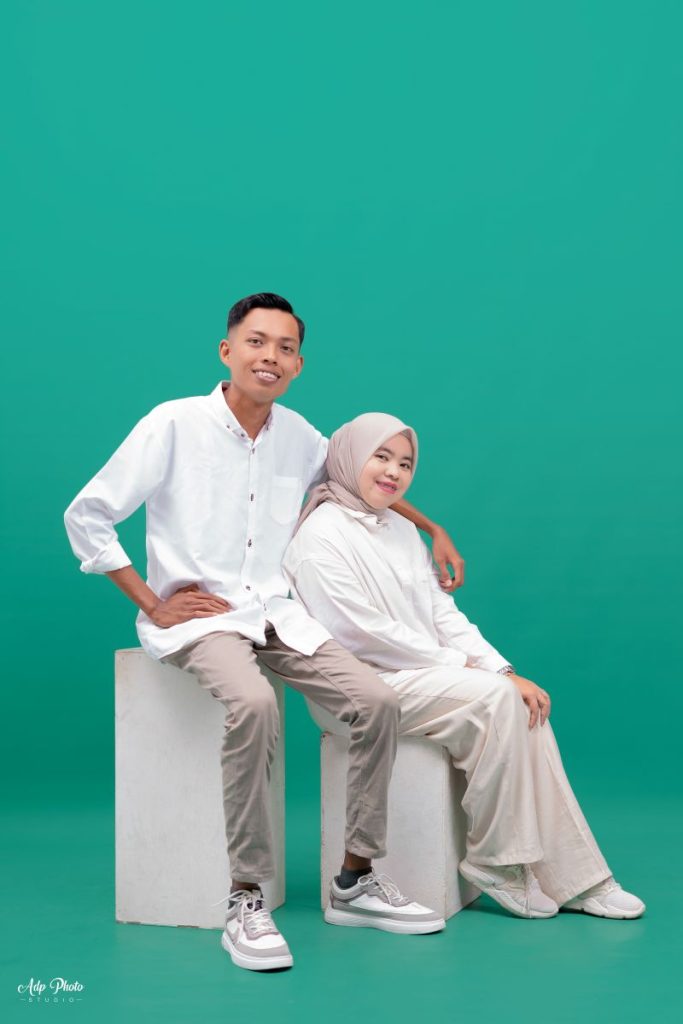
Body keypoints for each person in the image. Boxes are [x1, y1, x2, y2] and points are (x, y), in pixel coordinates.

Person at [63, 295, 463, 972]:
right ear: (227, 351)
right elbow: (88, 514)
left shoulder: (300, 436)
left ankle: (356, 878)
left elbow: (362, 477)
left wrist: (431, 528)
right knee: (251, 705)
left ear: (298, 364)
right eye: (256, 342)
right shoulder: (173, 423)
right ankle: (244, 898)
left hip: (277, 613)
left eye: (285, 347)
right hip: (204, 618)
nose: (269, 356)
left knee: (376, 701)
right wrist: (153, 604)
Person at [282, 412, 645, 921]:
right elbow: (365, 635)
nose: (394, 472)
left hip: (422, 676)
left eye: (406, 463)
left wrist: (500, 669)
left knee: (521, 707)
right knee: (498, 698)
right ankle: (497, 862)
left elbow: (442, 614)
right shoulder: (318, 538)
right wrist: (479, 674)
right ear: (348, 458)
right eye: (381, 457)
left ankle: (578, 880)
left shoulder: (399, 529)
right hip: (359, 689)